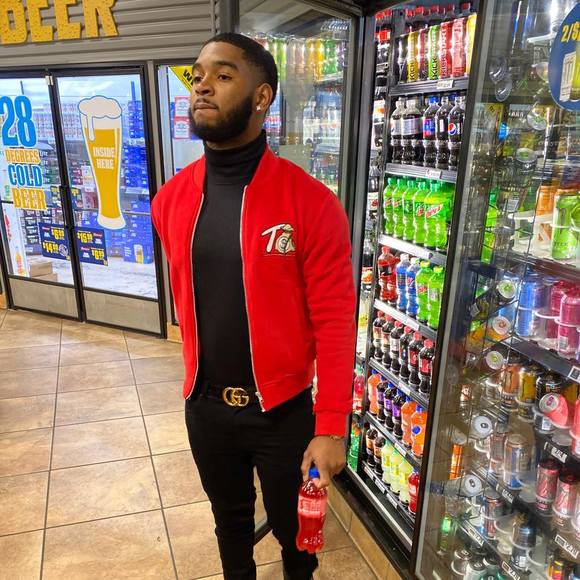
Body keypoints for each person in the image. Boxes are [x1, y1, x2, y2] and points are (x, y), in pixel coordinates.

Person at [151, 32, 356, 580]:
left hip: (284, 414)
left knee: (298, 536)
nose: (203, 86)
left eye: (223, 76)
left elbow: (335, 321)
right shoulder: (169, 200)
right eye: (198, 76)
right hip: (206, 409)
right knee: (230, 526)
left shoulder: (311, 203)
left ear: (262, 96)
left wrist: (331, 424)